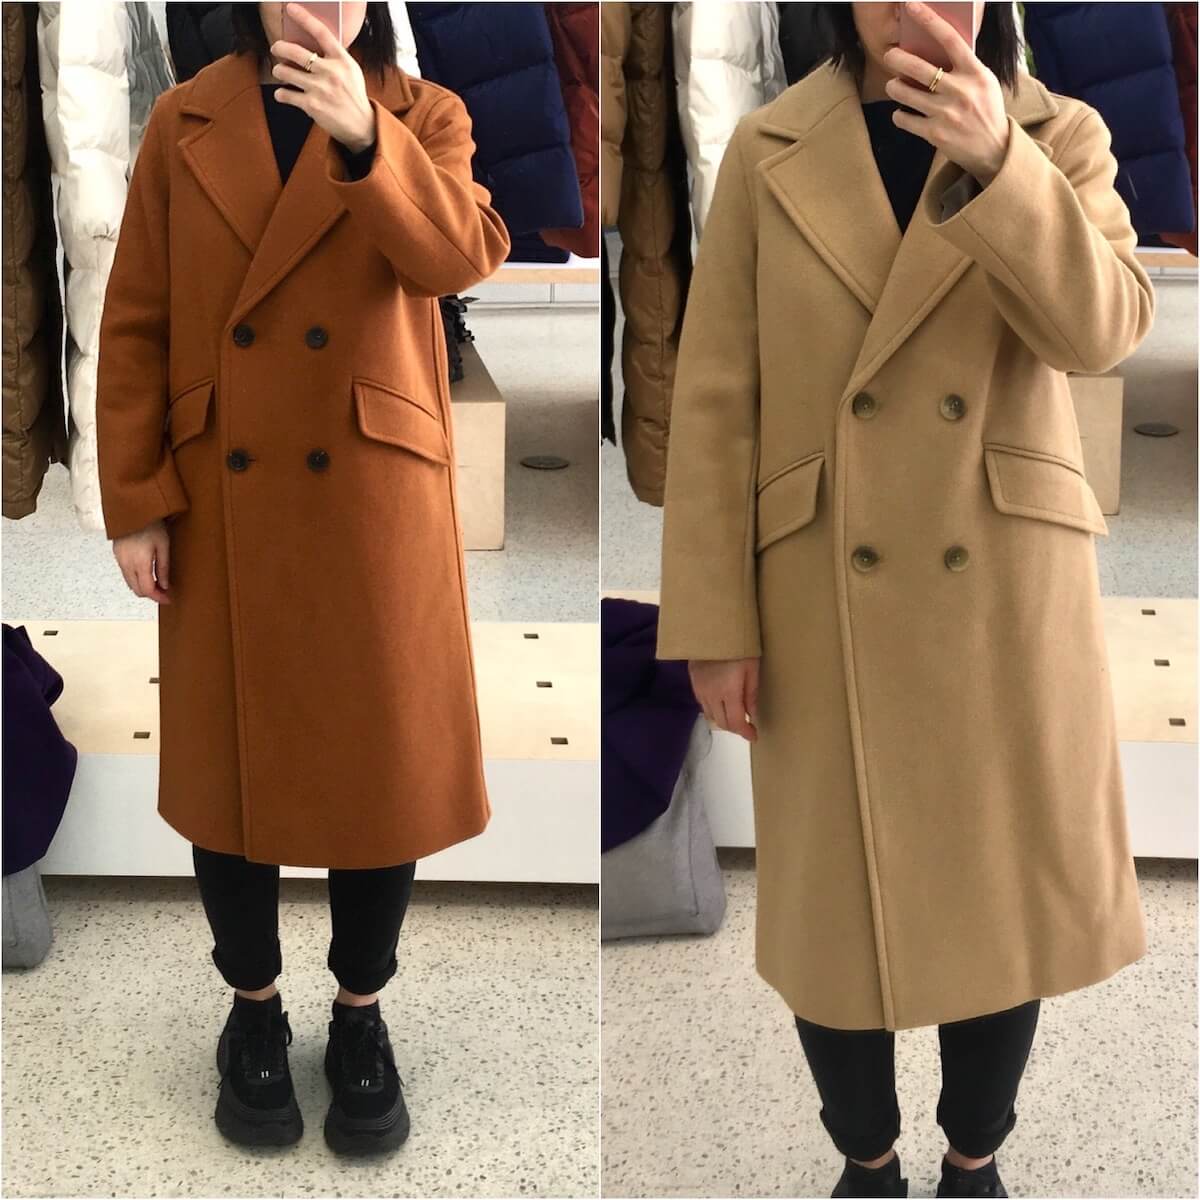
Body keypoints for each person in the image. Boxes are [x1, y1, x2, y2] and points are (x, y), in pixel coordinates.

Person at [654, 2, 1154, 1197]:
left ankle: (974, 1158)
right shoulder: (770, 146)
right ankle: (866, 1160)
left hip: (1004, 585)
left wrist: (1001, 166)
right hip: (823, 578)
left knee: (1000, 897)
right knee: (832, 911)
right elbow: (717, 398)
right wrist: (714, 622)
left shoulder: (1060, 134)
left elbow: (1104, 331)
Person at [95, 1, 511, 1155]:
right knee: (231, 767)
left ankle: (361, 1011)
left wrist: (369, 143)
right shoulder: (185, 118)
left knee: (378, 764)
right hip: (224, 490)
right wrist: (137, 498)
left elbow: (463, 254)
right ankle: (254, 1011)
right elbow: (135, 322)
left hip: (371, 494)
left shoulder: (425, 114)